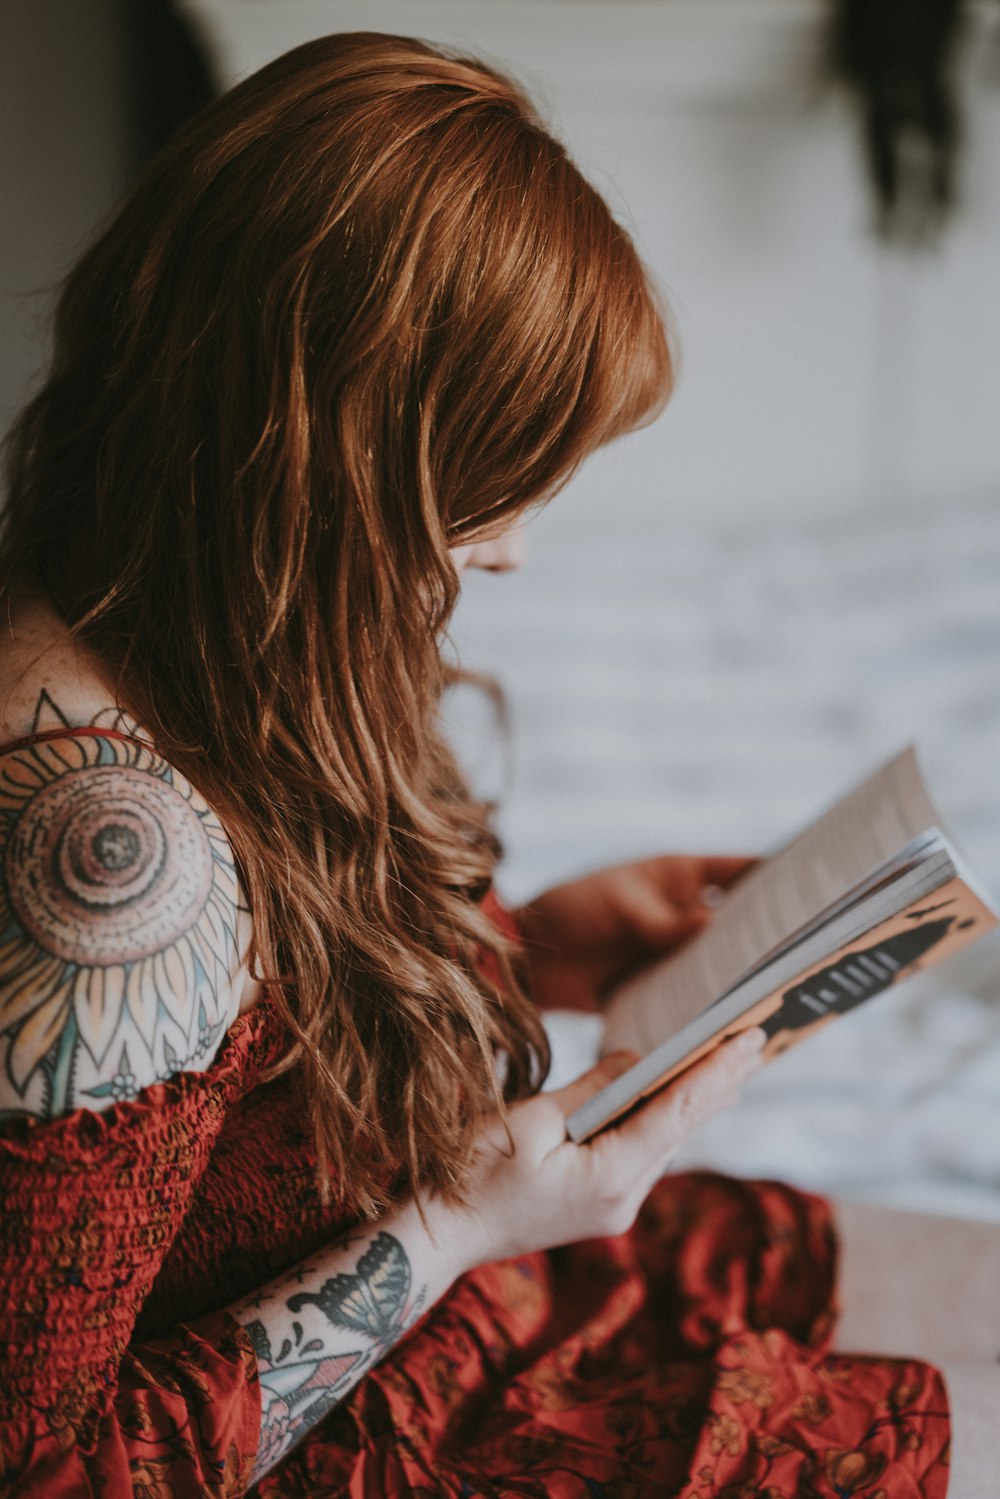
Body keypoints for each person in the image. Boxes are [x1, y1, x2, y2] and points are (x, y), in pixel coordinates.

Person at [0, 30, 996, 1498]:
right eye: (483, 482)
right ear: (325, 453)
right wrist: (460, 1224)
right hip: (369, 1417)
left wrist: (534, 953)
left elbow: (247, 1074)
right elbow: (52, 1474)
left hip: (481, 1295)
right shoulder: (101, 860)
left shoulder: (220, 619)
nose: (512, 548)